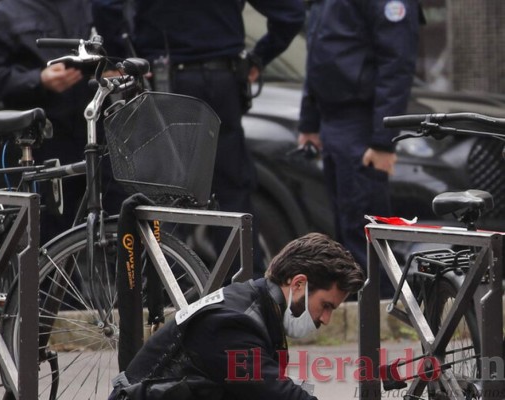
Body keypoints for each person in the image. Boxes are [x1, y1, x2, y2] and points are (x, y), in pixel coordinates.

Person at [91, 0, 306, 278]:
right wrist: (259, 57)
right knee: (231, 192)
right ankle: (244, 289)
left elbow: (106, 6)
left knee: (163, 190)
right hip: (222, 80)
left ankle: (163, 294)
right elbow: (290, 14)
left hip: (166, 82)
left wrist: (121, 58)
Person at [108, 232, 365, 400]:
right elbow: (278, 394)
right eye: (326, 306)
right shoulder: (233, 323)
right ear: (298, 284)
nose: (326, 319)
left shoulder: (253, 305)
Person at [298, 0, 421, 295]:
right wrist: (310, 121)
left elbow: (396, 64)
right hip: (334, 122)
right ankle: (355, 314)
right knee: (344, 231)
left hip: (362, 123)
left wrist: (382, 139)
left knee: (364, 231)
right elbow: (317, 51)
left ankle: (379, 318)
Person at [0, 0, 124, 241]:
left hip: (98, 132)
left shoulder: (91, 5)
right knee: (51, 232)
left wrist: (112, 69)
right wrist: (38, 80)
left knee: (120, 218)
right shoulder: (7, 10)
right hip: (45, 138)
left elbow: (120, 45)